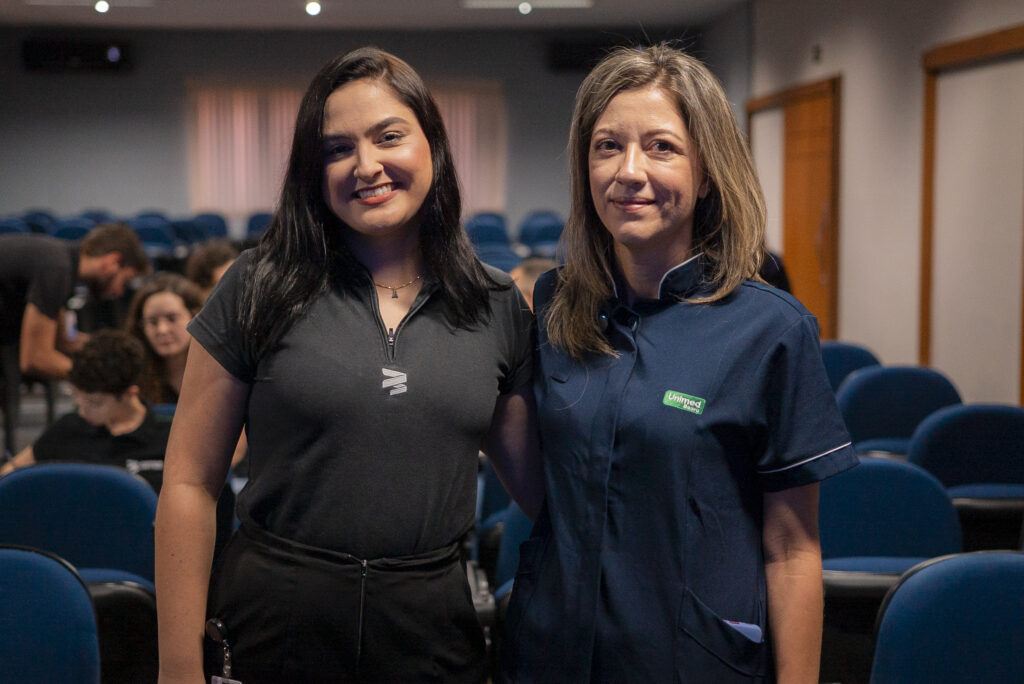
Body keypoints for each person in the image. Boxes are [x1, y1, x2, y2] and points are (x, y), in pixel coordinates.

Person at [155, 46, 542, 684]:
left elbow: (545, 493)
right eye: (336, 149)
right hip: (276, 619)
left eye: (389, 136)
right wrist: (176, 668)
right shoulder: (258, 282)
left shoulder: (497, 303)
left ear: (434, 146)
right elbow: (190, 484)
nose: (366, 166)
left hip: (431, 624)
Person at [502, 45, 857, 683]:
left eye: (661, 147)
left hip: (691, 659)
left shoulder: (771, 329)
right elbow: (544, 493)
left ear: (709, 169)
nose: (627, 171)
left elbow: (793, 550)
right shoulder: (554, 302)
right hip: (550, 648)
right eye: (606, 146)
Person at [0, 222, 149, 454]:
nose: (119, 293)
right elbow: (35, 358)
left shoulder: (62, 263)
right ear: (111, 262)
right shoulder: (56, 268)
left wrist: (115, 353)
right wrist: (104, 380)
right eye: (124, 281)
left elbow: (65, 340)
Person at [0, 329, 169, 491]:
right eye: (76, 397)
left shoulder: (167, 434)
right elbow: (10, 475)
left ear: (129, 393)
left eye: (95, 403)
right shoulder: (68, 428)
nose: (82, 411)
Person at [126, 273, 205, 405]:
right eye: (152, 322)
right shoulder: (133, 380)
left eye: (172, 318)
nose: (162, 330)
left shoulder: (221, 372)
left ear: (195, 316)